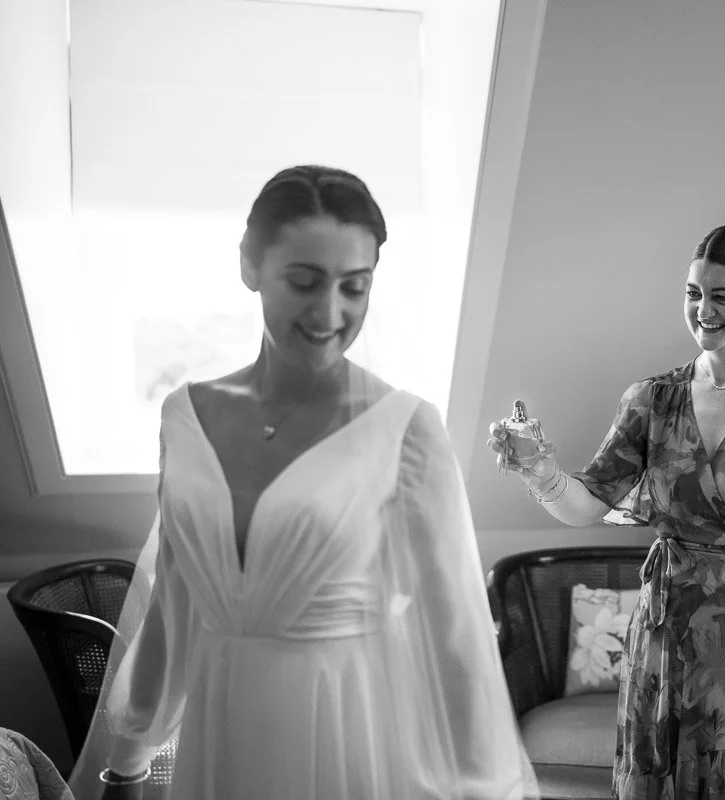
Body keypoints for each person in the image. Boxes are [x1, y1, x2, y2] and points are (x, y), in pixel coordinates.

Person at [67, 165, 538, 800]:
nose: (330, 312)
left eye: (355, 287)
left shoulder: (405, 428)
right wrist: (129, 761)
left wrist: (485, 788)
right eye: (304, 281)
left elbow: (453, 630)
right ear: (249, 266)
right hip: (222, 727)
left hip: (350, 727)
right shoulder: (183, 415)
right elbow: (174, 598)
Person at [488, 224, 725, 800]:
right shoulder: (651, 399)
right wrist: (538, 471)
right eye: (693, 293)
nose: (703, 310)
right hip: (665, 635)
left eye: (723, 295)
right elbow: (587, 504)